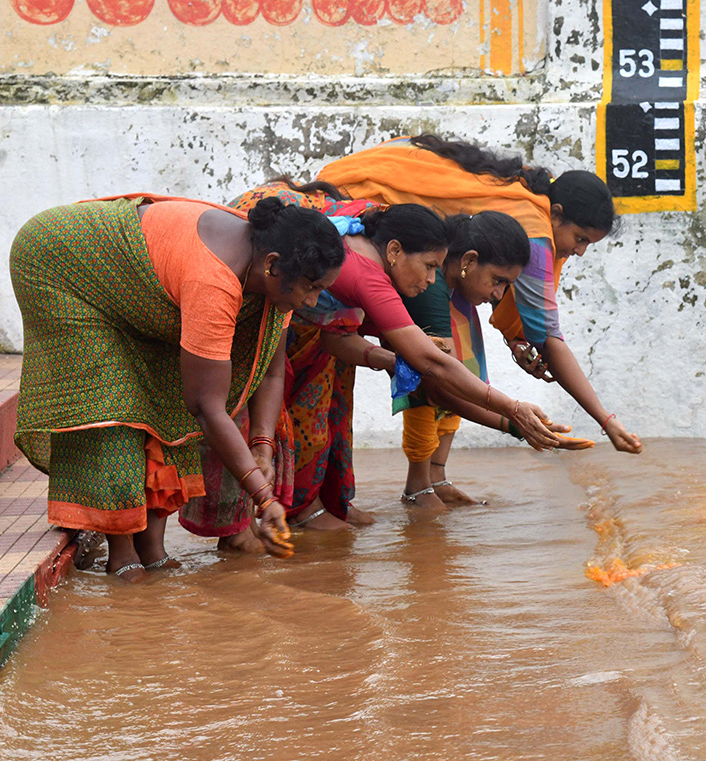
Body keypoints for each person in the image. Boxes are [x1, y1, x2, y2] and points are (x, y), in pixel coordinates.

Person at [10, 194, 345, 582]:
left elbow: (270, 372)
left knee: (167, 395)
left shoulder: (274, 271)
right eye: (312, 288)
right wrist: (263, 496)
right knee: (112, 406)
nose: (312, 300)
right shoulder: (214, 279)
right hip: (62, 265)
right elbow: (206, 407)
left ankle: (152, 550)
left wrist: (262, 445)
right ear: (272, 266)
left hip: (135, 286)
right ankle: (122, 556)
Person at [223, 182, 561, 531]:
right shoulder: (369, 277)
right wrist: (513, 411)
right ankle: (254, 522)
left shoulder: (371, 250)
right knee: (254, 410)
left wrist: (390, 360)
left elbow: (336, 338)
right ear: (395, 250)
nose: (431, 281)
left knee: (319, 416)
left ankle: (302, 508)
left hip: (292, 319)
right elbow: (433, 365)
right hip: (252, 291)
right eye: (429, 267)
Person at [318, 134, 644, 458]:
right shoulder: (534, 232)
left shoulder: (519, 204)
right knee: (432, 362)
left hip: (375, 236)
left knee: (452, 359)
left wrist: (516, 344)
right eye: (580, 238)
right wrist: (602, 419)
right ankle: (421, 483)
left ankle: (434, 477)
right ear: (555, 214)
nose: (581, 251)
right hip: (344, 217)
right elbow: (543, 340)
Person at [398, 212, 596, 510]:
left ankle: (435, 480)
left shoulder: (456, 286)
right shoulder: (431, 287)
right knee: (433, 382)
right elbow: (438, 387)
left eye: (507, 285)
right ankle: (418, 489)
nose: (499, 294)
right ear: (468, 261)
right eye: (498, 281)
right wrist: (514, 422)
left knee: (463, 369)